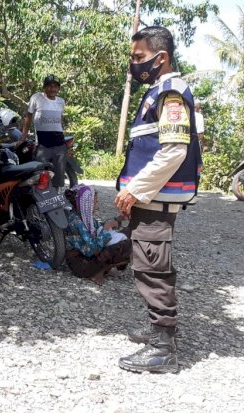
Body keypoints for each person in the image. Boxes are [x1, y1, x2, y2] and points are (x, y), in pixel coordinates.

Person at [114, 26, 202, 374]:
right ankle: (157, 331)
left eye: (139, 58)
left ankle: (163, 348)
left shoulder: (171, 92)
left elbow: (174, 151)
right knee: (149, 265)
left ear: (160, 57)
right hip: (152, 198)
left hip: (155, 201)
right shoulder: (158, 91)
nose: (134, 65)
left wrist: (135, 189)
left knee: (153, 269)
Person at [63, 184, 131, 285]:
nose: (97, 205)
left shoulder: (85, 218)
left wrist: (119, 219)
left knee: (128, 234)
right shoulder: (75, 222)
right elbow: (91, 249)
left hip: (88, 259)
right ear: (86, 204)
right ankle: (97, 272)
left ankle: (103, 269)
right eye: (95, 202)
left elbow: (99, 227)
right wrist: (107, 228)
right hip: (82, 265)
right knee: (125, 246)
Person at [19, 74, 68, 190]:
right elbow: (28, 118)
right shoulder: (36, 98)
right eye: (49, 86)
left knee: (59, 175)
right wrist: (22, 138)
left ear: (58, 89)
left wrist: (65, 145)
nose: (52, 89)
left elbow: (59, 120)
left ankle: (57, 197)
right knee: (40, 175)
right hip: (43, 144)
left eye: (55, 86)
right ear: (44, 87)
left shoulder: (61, 101)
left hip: (59, 143)